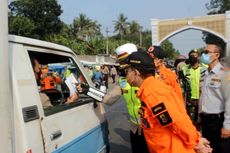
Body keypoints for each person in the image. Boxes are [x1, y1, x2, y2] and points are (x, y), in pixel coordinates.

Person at [123, 51, 212, 153]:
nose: (126, 75)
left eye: (128, 71)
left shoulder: (152, 93)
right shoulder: (151, 88)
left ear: (136, 72)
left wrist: (196, 141)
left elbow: (177, 121)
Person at [199, 43, 230, 153]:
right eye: (203, 52)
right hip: (205, 120)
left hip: (218, 121)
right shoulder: (204, 74)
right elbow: (203, 97)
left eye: (207, 52)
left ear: (216, 55)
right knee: (208, 149)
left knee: (221, 149)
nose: (204, 55)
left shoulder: (225, 73)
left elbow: (229, 101)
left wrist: (227, 125)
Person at [181, 49, 207, 128]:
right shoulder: (185, 69)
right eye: (191, 56)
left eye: (194, 56)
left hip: (203, 99)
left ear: (198, 57)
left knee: (203, 121)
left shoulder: (205, 68)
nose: (192, 57)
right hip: (190, 100)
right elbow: (182, 86)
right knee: (191, 122)